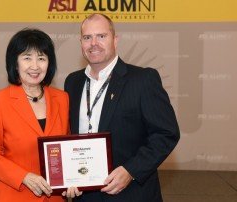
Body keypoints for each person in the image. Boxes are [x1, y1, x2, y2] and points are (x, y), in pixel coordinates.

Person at [64, 13, 180, 202]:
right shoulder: (73, 82)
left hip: (131, 193)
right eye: (87, 37)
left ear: (115, 40)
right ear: (81, 42)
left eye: (101, 36)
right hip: (84, 196)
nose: (94, 43)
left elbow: (166, 133)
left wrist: (131, 171)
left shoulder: (143, 80)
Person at [0, 28, 72, 202]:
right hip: (15, 195)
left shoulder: (62, 98)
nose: (35, 66)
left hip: (55, 197)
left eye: (42, 58)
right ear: (15, 63)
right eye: (27, 57)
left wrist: (74, 179)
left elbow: (66, 148)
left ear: (49, 63)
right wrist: (24, 177)